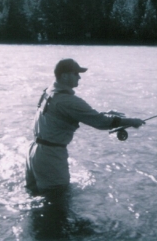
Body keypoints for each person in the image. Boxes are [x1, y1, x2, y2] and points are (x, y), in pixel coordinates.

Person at [26, 58, 145, 194]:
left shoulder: (49, 91)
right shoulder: (68, 100)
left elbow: (74, 114)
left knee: (36, 196)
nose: (79, 77)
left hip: (34, 152)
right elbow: (100, 122)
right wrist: (131, 121)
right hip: (50, 156)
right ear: (64, 76)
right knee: (57, 199)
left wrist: (103, 115)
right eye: (76, 73)